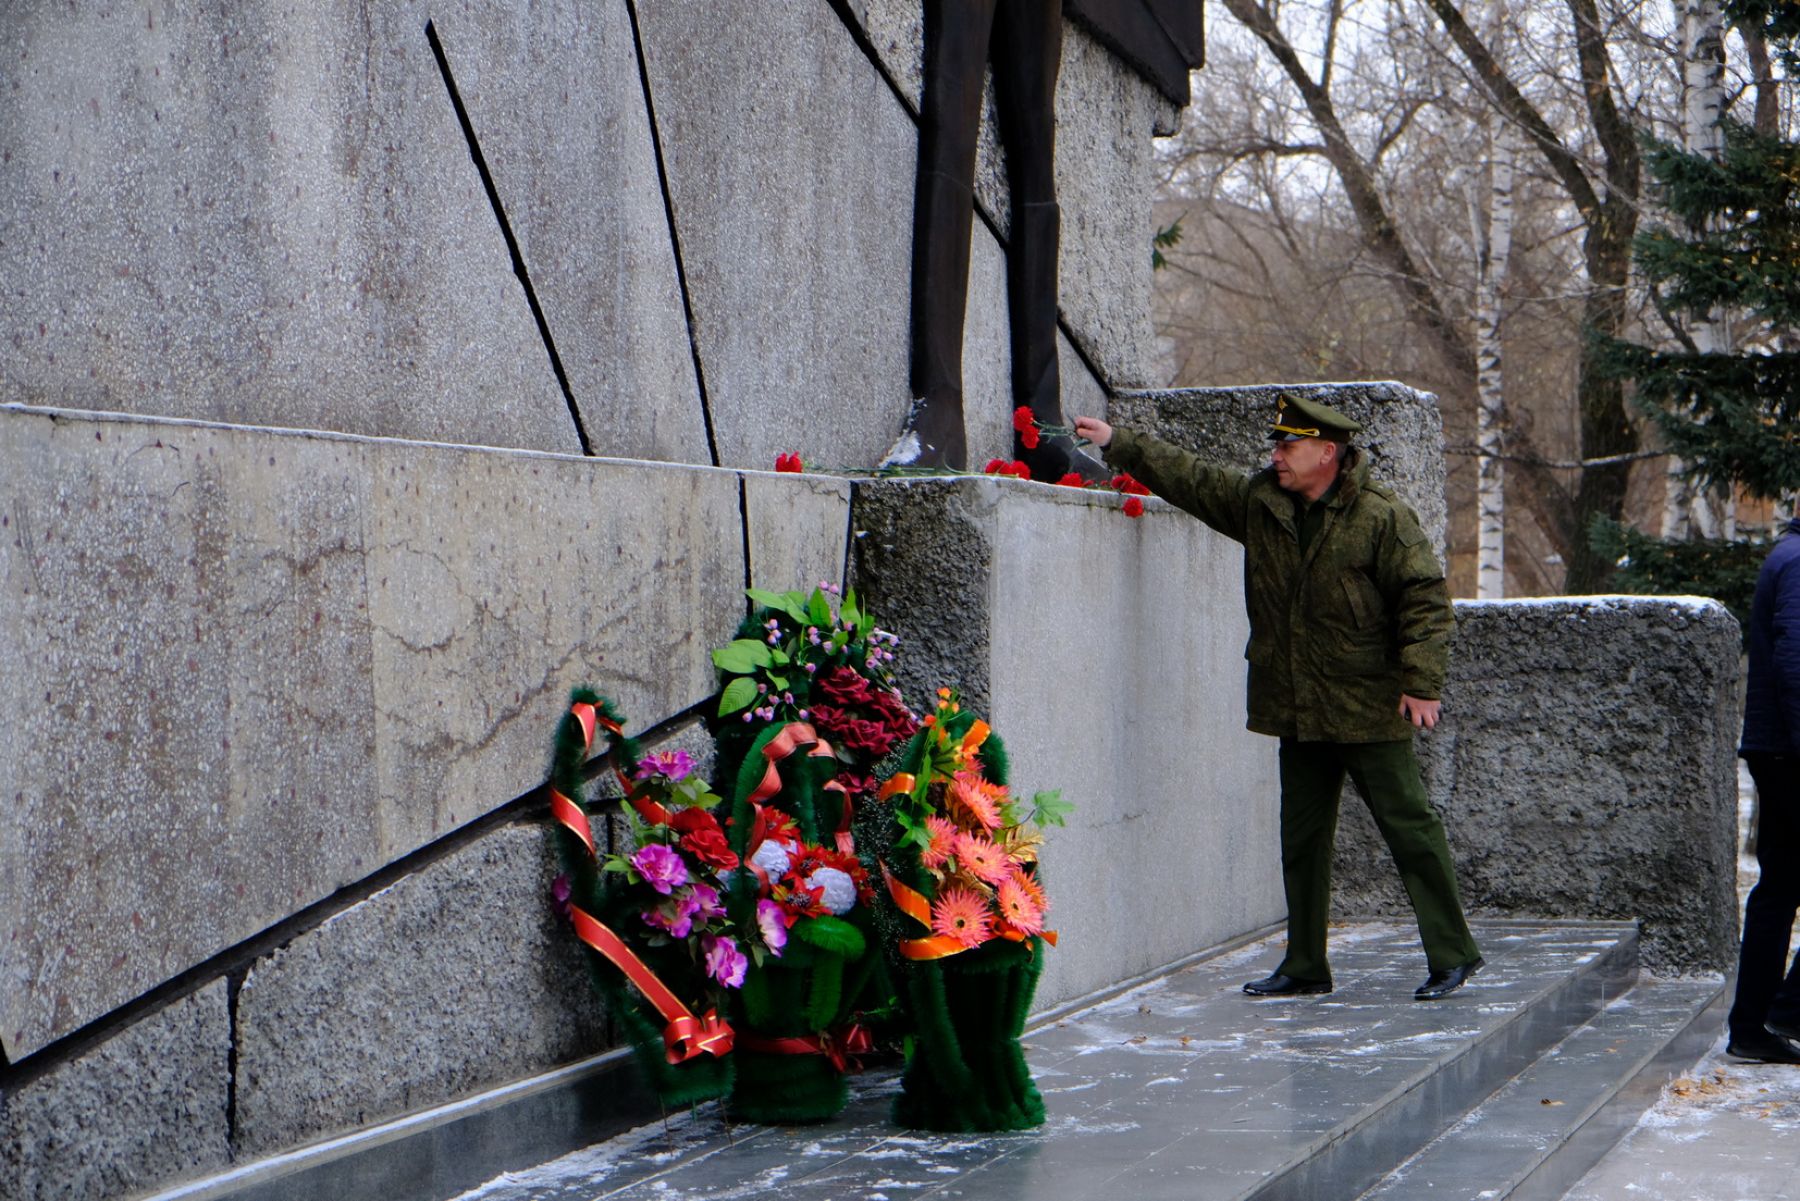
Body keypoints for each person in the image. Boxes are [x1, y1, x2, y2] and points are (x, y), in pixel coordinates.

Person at [1073, 397, 1484, 1000]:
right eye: (1277, 446)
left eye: (1288, 448)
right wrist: (1119, 443)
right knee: (1302, 840)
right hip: (1297, 706)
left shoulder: (1380, 517)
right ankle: (1305, 965)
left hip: (1367, 708)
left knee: (1410, 831)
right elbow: (1194, 479)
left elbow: (1424, 599)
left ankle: (1453, 954)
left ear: (1327, 454)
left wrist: (1421, 684)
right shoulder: (1263, 504)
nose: (1276, 457)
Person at [1725, 515, 1800, 1063]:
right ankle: (1776, 1013)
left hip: (1780, 749)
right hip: (1790, 752)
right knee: (1779, 888)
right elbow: (1795, 664)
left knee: (1780, 885)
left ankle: (1759, 1021)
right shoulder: (1797, 561)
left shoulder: (1790, 555)